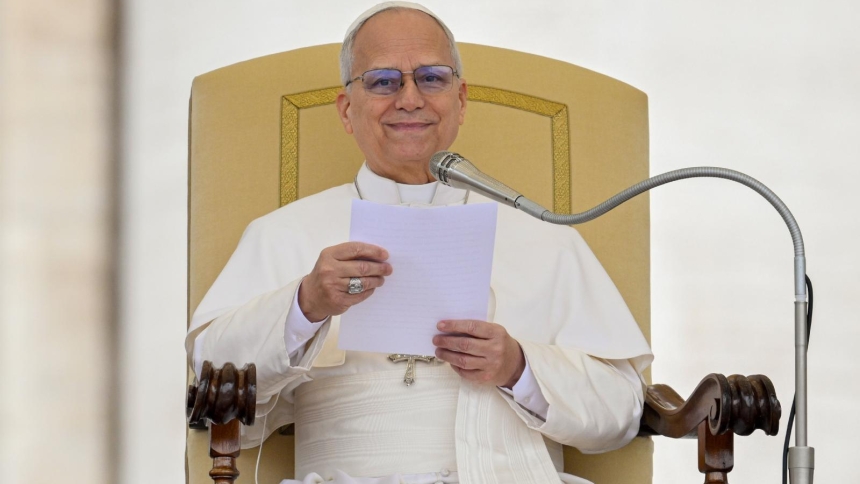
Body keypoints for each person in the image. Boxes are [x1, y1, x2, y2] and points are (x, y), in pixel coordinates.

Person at [185, 3, 653, 483]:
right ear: (348, 111)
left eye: (431, 78)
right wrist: (306, 304)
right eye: (383, 81)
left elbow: (622, 410)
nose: (410, 99)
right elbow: (211, 387)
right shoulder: (284, 233)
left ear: (461, 99)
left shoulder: (546, 239)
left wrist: (518, 368)